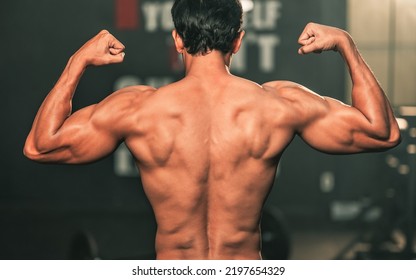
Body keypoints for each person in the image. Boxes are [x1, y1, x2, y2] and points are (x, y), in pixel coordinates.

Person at [24, 0, 401, 260]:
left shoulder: (138, 109)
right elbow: (382, 133)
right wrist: (347, 46)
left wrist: (77, 63)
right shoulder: (278, 104)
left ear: (176, 40)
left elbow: (41, 146)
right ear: (238, 39)